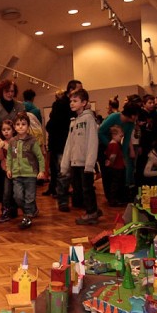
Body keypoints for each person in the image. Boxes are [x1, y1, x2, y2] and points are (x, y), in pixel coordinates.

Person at [58, 88, 100, 225]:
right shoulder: (74, 121)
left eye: (75, 101)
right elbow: (69, 144)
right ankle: (92, 210)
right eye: (71, 101)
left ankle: (91, 213)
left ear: (84, 102)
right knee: (81, 189)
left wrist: (90, 164)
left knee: (87, 188)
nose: (71, 103)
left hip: (85, 163)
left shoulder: (89, 119)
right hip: (75, 163)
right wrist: (65, 164)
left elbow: (93, 142)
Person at [5, 111, 46, 230]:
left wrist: (41, 171)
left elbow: (40, 157)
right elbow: (9, 156)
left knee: (29, 196)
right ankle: (32, 209)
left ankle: (27, 216)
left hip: (30, 175)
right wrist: (9, 168)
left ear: (28, 126)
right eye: (17, 124)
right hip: (17, 175)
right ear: (14, 126)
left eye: (23, 124)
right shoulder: (12, 141)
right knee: (17, 197)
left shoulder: (32, 141)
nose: (20, 126)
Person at [98, 102, 141, 206]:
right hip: (105, 146)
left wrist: (122, 153)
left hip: (117, 148)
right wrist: (111, 146)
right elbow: (100, 132)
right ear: (132, 115)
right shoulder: (114, 117)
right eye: (136, 115)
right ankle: (111, 198)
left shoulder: (130, 124)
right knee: (108, 173)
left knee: (119, 172)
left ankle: (119, 196)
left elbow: (126, 139)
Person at [45, 81, 79, 198]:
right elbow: (52, 125)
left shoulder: (66, 104)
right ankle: (61, 196)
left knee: (63, 170)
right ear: (71, 90)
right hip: (60, 143)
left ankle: (61, 193)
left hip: (65, 142)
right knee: (62, 170)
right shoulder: (61, 104)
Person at [0, 119, 19, 222]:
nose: (6, 132)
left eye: (8, 129)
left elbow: (16, 154)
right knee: (6, 193)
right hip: (7, 172)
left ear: (13, 130)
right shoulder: (2, 143)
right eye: (3, 129)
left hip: (18, 172)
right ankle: (5, 212)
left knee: (18, 194)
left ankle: (18, 210)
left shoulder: (17, 141)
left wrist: (5, 146)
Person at [104, 125, 128, 206]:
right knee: (116, 185)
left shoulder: (110, 144)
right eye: (120, 136)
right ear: (114, 135)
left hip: (115, 168)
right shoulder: (115, 145)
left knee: (114, 184)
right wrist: (111, 163)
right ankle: (113, 200)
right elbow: (113, 156)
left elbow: (107, 154)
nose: (121, 138)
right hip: (117, 168)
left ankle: (113, 199)